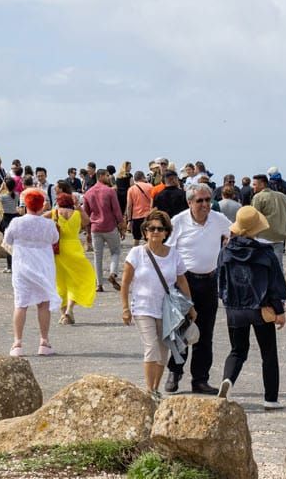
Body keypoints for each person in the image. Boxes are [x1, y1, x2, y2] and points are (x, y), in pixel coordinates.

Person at [217, 206, 286, 410]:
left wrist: (227, 302)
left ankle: (228, 380)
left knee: (237, 350)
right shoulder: (265, 253)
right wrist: (279, 311)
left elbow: (220, 281)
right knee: (268, 353)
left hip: (234, 308)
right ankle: (271, 399)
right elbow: (275, 284)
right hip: (261, 308)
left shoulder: (226, 251)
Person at [121, 209, 195, 399]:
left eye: (160, 229)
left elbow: (182, 281)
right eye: (151, 228)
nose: (155, 232)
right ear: (145, 231)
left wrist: (190, 305)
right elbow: (126, 282)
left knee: (163, 352)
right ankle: (149, 390)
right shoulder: (136, 253)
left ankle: (155, 388)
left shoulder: (174, 255)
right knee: (152, 347)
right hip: (143, 308)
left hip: (167, 310)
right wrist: (125, 308)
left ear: (166, 232)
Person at [166, 182, 231, 394]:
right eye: (200, 201)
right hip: (185, 282)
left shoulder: (218, 220)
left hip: (210, 281)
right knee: (182, 329)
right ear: (189, 202)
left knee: (205, 333)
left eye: (207, 200)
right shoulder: (179, 222)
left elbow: (235, 232)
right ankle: (175, 372)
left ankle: (200, 379)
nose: (205, 205)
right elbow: (168, 251)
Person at [1, 188, 60, 358]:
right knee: (43, 304)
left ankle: (17, 343)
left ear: (25, 205)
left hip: (22, 266)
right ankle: (44, 341)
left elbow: (7, 240)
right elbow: (55, 239)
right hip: (43, 266)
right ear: (42, 206)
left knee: (21, 304)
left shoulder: (16, 223)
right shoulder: (48, 224)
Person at [48, 191, 96, 325]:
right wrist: (78, 206)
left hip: (58, 249)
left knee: (60, 281)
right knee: (77, 280)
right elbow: (87, 221)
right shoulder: (76, 214)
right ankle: (69, 310)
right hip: (74, 248)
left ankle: (64, 315)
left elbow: (37, 219)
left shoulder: (55, 213)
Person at [83, 168, 124, 292]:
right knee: (115, 251)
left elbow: (86, 214)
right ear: (100, 176)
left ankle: (99, 284)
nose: (108, 177)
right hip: (110, 226)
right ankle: (113, 273)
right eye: (106, 175)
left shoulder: (88, 193)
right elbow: (117, 210)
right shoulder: (110, 191)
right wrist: (121, 226)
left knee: (97, 256)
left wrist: (87, 231)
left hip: (95, 227)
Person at [250, 173, 286, 266]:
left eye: (254, 184)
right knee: (278, 265)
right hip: (279, 236)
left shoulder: (258, 197)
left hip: (262, 237)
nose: (253, 187)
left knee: (262, 265)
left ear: (262, 184)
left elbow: (254, 216)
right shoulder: (281, 196)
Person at [0, 175, 21, 272]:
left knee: (7, 244)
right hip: (15, 217)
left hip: (6, 219)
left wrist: (0, 189)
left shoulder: (3, 197)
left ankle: (9, 266)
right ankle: (16, 265)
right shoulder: (17, 195)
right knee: (16, 243)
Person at [125, 170, 154, 244]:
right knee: (149, 237)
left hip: (136, 216)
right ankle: (149, 253)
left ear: (135, 179)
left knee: (136, 238)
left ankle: (136, 253)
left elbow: (129, 206)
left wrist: (129, 220)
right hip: (149, 215)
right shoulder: (150, 186)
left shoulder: (131, 189)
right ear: (143, 177)